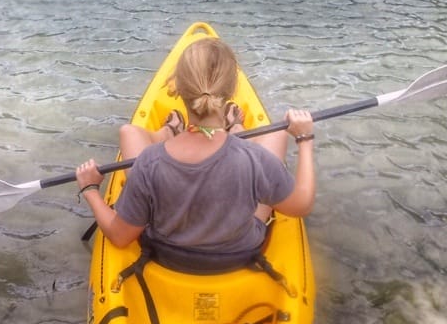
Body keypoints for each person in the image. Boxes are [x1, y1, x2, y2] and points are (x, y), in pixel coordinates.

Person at [75, 38, 315, 267]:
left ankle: (171, 131)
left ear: (177, 88)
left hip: (168, 256)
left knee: (130, 134)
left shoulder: (148, 162)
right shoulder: (255, 159)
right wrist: (304, 139)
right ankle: (235, 128)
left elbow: (119, 236)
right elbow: (301, 205)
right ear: (231, 90)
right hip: (239, 252)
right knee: (277, 134)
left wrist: (90, 190)